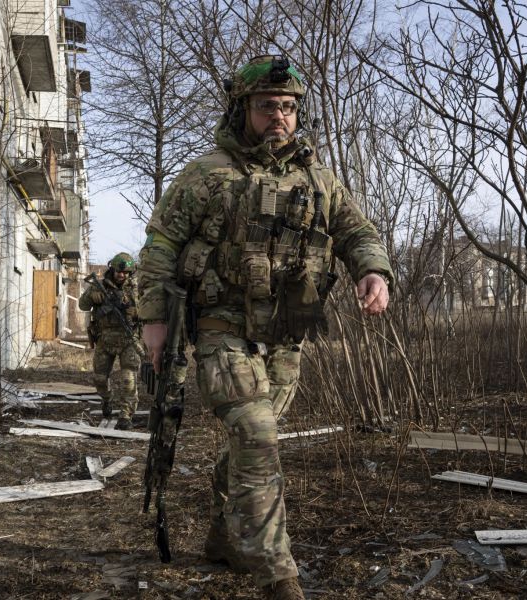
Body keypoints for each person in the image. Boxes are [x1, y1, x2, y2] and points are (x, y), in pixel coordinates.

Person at [136, 55, 394, 599]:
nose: (278, 116)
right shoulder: (209, 173)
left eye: (288, 107)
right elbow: (160, 247)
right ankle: (279, 571)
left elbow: (356, 231)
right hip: (221, 328)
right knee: (257, 433)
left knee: (247, 444)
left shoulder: (318, 179)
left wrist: (372, 271)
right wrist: (154, 321)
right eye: (266, 106)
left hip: (284, 337)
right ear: (243, 110)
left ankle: (225, 539)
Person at [79, 252, 143, 430]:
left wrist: (135, 310)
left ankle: (126, 415)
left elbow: (149, 309)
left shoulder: (137, 288)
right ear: (112, 269)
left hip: (129, 339)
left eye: (126, 272)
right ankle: (107, 399)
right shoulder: (99, 286)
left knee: (129, 378)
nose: (122, 275)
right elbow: (82, 305)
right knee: (99, 378)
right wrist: (92, 294)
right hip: (105, 339)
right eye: (118, 271)